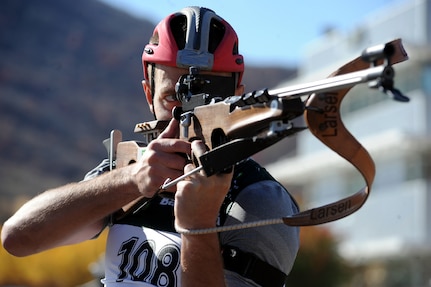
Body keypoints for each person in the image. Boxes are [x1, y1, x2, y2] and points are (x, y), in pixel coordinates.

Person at [1, 6, 300, 287]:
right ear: (148, 93)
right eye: (173, 99)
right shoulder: (130, 168)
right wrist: (131, 181)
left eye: (208, 101)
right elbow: (18, 238)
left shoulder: (259, 199)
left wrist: (197, 226)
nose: (186, 116)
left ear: (237, 96)